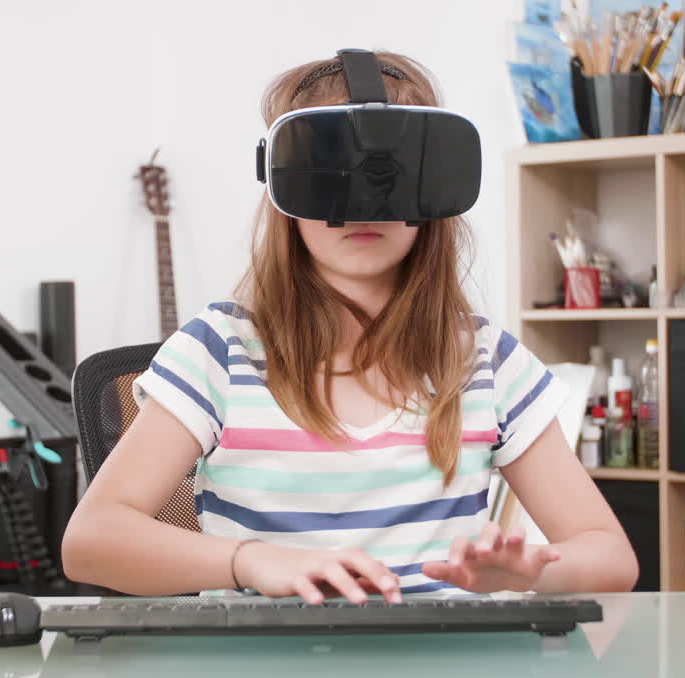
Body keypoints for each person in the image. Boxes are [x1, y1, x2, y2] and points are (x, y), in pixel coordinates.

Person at [62, 51, 638, 603]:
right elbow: (91, 543)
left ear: (430, 181)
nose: (364, 206)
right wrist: (249, 560)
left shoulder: (484, 361)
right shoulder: (218, 353)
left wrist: (529, 574)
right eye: (333, 171)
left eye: (388, 174)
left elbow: (611, 558)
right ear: (281, 182)